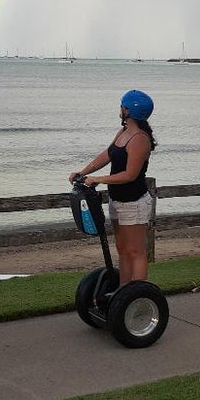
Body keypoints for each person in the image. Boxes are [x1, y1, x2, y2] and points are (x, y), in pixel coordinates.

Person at [69, 90, 157, 286]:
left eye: (122, 106)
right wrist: (83, 173)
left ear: (128, 111)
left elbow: (130, 175)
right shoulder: (124, 132)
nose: (120, 109)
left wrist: (98, 179)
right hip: (117, 200)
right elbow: (107, 155)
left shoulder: (140, 139)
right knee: (123, 249)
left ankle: (137, 295)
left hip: (134, 203)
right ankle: (123, 291)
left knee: (136, 251)